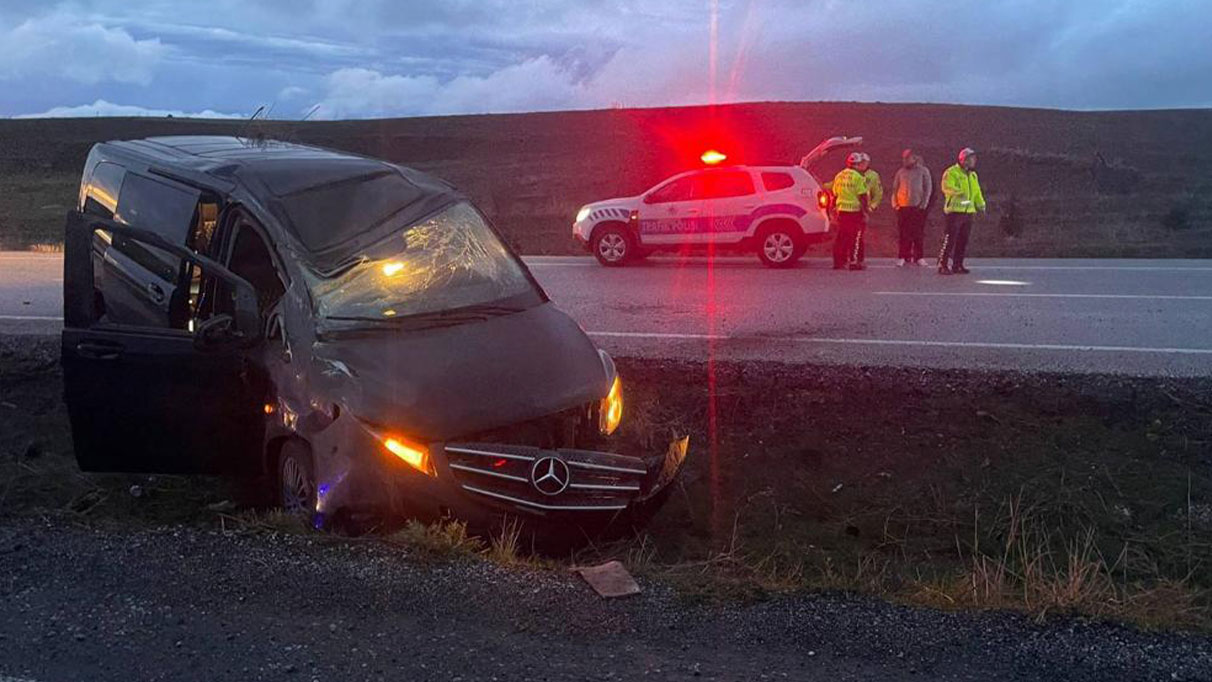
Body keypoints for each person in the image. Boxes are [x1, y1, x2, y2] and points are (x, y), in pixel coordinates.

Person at [937, 147, 986, 275]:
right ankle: (942, 264)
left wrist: (981, 204)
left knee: (963, 240)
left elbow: (977, 192)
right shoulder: (952, 172)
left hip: (968, 212)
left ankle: (958, 264)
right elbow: (946, 187)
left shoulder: (973, 175)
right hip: (955, 211)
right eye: (971, 159)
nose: (974, 161)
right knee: (950, 239)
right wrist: (960, 192)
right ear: (964, 160)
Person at [891, 149, 931, 266]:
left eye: (907, 158)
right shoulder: (900, 172)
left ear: (914, 158)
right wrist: (895, 204)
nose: (905, 160)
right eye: (904, 158)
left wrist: (924, 204)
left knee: (918, 232)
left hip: (918, 206)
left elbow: (928, 188)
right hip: (903, 207)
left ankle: (919, 257)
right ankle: (903, 256)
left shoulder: (923, 171)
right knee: (903, 233)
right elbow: (895, 188)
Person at [830, 152, 869, 271]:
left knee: (841, 237)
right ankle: (854, 262)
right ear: (857, 164)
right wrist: (865, 212)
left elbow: (835, 194)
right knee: (855, 237)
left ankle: (838, 262)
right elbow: (862, 196)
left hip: (842, 211)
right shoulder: (858, 177)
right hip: (854, 211)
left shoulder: (839, 175)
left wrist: (833, 209)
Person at [852, 153, 881, 268]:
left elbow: (878, 193)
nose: (861, 164)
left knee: (859, 235)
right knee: (849, 234)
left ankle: (858, 259)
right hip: (851, 209)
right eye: (860, 162)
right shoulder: (852, 174)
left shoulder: (873, 176)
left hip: (862, 209)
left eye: (864, 162)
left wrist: (872, 207)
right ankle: (850, 257)